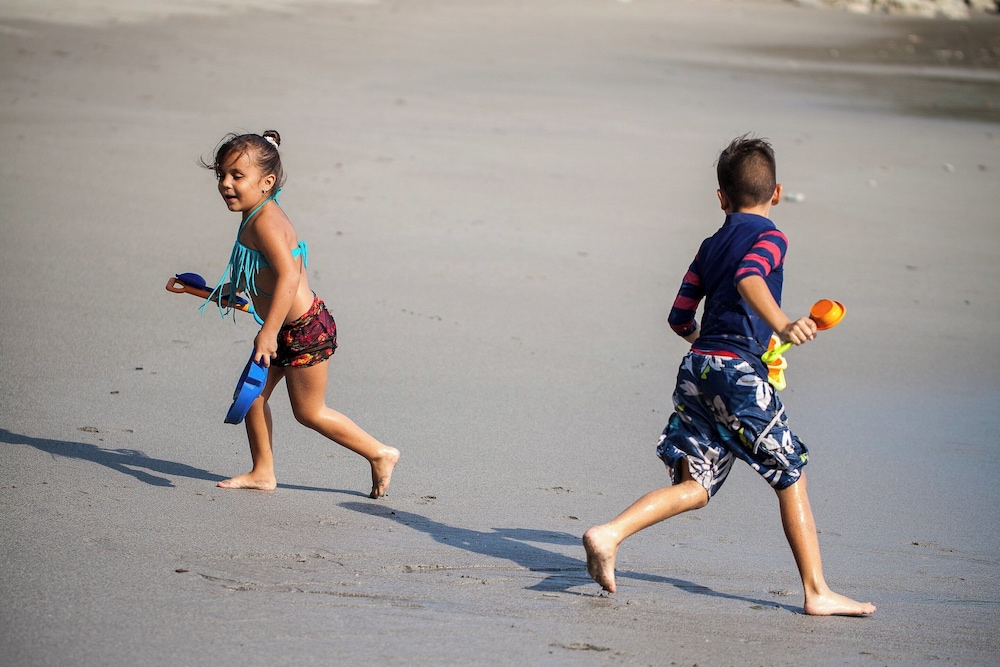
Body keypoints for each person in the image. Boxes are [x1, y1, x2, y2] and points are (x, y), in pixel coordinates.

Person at [582, 135, 875, 616]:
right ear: (777, 193)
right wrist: (781, 324)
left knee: (695, 487)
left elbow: (679, 317)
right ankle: (817, 592)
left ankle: (609, 533)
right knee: (790, 472)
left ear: (721, 197)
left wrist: (714, 344)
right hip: (737, 374)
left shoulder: (709, 245)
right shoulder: (771, 238)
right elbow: (749, 277)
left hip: (698, 367)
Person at [199, 130, 399, 498]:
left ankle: (379, 453)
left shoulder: (265, 222)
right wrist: (227, 292)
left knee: (309, 412)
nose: (226, 184)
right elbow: (262, 270)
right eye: (221, 175)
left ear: (267, 182)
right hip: (283, 327)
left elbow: (289, 276)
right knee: (253, 396)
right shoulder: (254, 213)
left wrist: (267, 333)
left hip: (303, 331)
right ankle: (263, 472)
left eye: (236, 176)